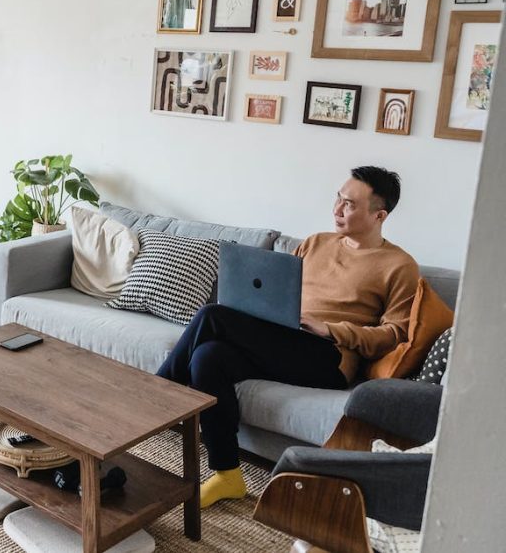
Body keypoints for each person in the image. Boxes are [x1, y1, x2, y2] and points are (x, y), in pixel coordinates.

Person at [156, 166, 420, 508]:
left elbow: (395, 335)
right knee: (207, 356)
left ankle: (151, 403)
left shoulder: (400, 266)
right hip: (284, 339)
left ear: (378, 215)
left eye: (350, 205)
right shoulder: (316, 243)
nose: (337, 210)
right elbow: (280, 293)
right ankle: (227, 475)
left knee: (212, 316)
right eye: (337, 198)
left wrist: (331, 329)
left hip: (329, 356)